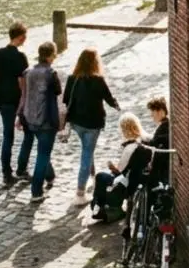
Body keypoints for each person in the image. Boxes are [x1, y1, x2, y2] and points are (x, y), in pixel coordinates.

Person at [63, 47, 120, 199]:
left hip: (76, 123)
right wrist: (116, 105)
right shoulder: (98, 80)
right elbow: (109, 99)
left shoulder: (72, 78)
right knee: (87, 153)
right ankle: (80, 192)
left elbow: (65, 100)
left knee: (88, 148)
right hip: (93, 124)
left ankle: (93, 176)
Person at [19, 41, 64, 201]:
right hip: (45, 119)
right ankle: (36, 192)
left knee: (43, 151)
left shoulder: (28, 72)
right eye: (54, 55)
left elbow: (24, 95)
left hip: (30, 118)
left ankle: (50, 175)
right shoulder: (51, 73)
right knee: (43, 154)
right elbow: (58, 91)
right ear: (50, 56)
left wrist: (20, 115)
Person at [0, 22, 34, 186]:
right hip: (17, 100)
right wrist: (25, 102)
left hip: (2, 99)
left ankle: (6, 174)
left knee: (7, 136)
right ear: (21, 37)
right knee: (29, 133)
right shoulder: (20, 57)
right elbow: (22, 82)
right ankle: (21, 168)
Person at [90, 113, 146, 221]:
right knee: (105, 176)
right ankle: (102, 206)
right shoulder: (140, 142)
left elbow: (120, 171)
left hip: (128, 182)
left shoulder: (129, 148)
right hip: (136, 178)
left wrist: (112, 167)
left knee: (100, 176)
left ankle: (99, 206)